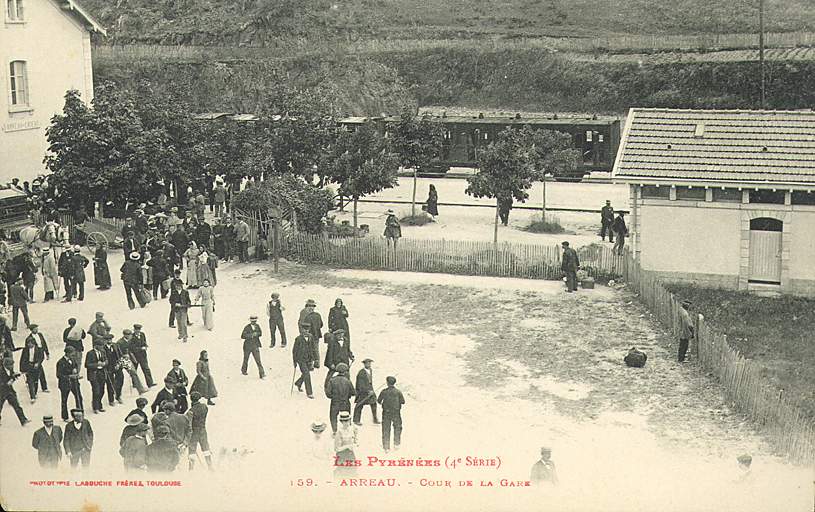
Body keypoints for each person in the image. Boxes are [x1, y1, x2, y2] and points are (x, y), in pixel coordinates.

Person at [186, 391, 213, 470]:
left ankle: (191, 469)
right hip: (203, 430)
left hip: (194, 432)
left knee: (192, 451)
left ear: (191, 400)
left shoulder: (190, 411)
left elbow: (189, 425)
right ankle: (210, 466)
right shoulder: (204, 407)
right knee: (206, 448)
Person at [325, 362, 355, 434]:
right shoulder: (347, 381)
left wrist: (333, 397)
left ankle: (334, 431)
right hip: (345, 402)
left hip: (335, 402)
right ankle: (346, 431)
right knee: (346, 418)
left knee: (333, 417)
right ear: (345, 372)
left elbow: (328, 393)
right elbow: (353, 392)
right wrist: (348, 395)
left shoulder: (332, 380)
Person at [378, 376, 405, 452]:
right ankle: (396, 444)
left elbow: (379, 401)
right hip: (396, 413)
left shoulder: (384, 391)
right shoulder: (398, 392)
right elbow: (403, 401)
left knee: (386, 429)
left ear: (387, 383)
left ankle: (386, 447)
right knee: (397, 427)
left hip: (386, 412)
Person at [56, 346, 83, 421]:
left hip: (74, 383)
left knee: (79, 398)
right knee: (64, 400)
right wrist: (69, 376)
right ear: (67, 353)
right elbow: (59, 375)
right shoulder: (60, 362)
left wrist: (76, 372)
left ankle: (80, 413)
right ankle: (65, 417)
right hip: (65, 384)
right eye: (72, 353)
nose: (73, 354)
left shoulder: (73, 360)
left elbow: (75, 367)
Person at [0, 357, 29, 426]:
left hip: (9, 391)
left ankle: (23, 420)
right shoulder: (1, 371)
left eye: (12, 364)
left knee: (16, 405)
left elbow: (11, 376)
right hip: (1, 392)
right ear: (6, 365)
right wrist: (10, 380)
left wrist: (15, 375)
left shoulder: (10, 370)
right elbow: (3, 383)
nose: (12, 366)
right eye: (10, 365)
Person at [293, 326, 317, 399]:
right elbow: (294, 351)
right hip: (301, 360)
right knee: (307, 374)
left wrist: (315, 359)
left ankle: (298, 383)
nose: (306, 331)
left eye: (307, 330)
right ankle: (309, 393)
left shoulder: (311, 337)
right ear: (301, 330)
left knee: (305, 374)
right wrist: (295, 361)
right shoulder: (298, 339)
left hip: (309, 359)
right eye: (304, 330)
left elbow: (313, 348)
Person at [84, 339, 108, 413]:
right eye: (100, 346)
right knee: (96, 390)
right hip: (94, 374)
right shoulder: (90, 353)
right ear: (96, 346)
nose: (101, 347)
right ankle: (95, 407)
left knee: (102, 390)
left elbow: (106, 360)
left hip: (102, 373)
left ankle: (99, 405)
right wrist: (97, 365)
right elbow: (87, 364)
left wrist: (104, 363)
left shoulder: (103, 352)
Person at [353, 358, 378, 425]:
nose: (369, 364)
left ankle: (375, 419)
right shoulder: (361, 372)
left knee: (374, 404)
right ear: (364, 364)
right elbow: (360, 384)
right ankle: (356, 420)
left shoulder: (370, 370)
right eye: (367, 363)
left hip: (370, 390)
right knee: (359, 405)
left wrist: (371, 390)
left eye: (370, 363)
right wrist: (367, 391)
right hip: (362, 392)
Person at [129, 324, 155, 388]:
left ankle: (150, 383)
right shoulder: (131, 337)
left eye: (139, 330)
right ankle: (135, 383)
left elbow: (144, 342)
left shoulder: (142, 334)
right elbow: (132, 348)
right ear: (134, 330)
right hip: (135, 356)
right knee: (134, 370)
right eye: (136, 330)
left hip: (143, 355)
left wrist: (145, 346)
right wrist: (141, 348)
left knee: (146, 369)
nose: (138, 331)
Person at [20, 337, 45, 403]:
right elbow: (22, 359)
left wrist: (38, 363)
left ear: (33, 343)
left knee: (35, 381)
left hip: (36, 367)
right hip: (28, 366)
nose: (29, 345)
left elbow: (42, 357)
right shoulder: (25, 350)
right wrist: (22, 369)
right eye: (28, 343)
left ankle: (35, 393)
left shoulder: (39, 349)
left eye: (30, 343)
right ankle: (32, 397)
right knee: (30, 381)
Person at [334, 411, 358, 476]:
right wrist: (347, 446)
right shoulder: (339, 432)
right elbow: (336, 449)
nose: (346, 423)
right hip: (342, 456)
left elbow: (355, 442)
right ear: (341, 422)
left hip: (351, 455)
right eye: (344, 421)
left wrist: (355, 442)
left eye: (347, 421)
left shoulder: (352, 429)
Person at [26, 324, 50, 393]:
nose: (37, 330)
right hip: (35, 356)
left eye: (37, 328)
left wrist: (47, 353)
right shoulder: (29, 338)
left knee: (39, 371)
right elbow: (28, 351)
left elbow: (44, 344)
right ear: (32, 330)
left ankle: (42, 387)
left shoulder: (40, 335)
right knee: (40, 372)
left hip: (41, 353)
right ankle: (43, 387)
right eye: (35, 329)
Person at [104, 333, 126, 405]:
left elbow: (120, 355)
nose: (109, 341)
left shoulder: (116, 345)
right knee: (110, 383)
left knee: (120, 380)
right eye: (107, 339)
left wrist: (120, 364)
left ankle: (118, 395)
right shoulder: (103, 348)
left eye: (110, 339)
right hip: (108, 368)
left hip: (117, 366)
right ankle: (111, 400)